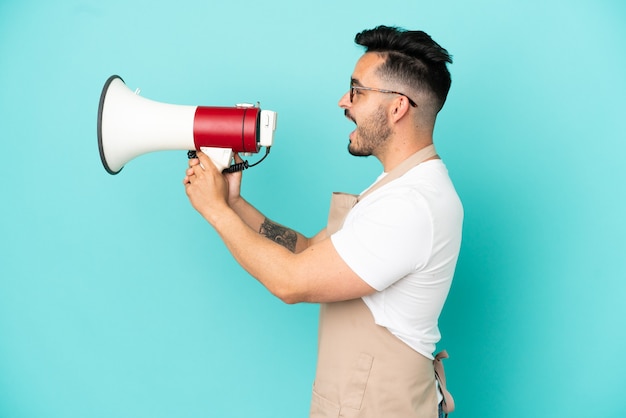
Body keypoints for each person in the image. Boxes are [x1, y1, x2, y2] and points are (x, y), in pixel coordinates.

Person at [183, 25, 463, 418]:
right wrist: (232, 203)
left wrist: (213, 211)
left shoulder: (411, 204)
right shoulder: (400, 189)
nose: (342, 101)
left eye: (357, 91)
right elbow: (308, 251)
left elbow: (291, 281)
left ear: (398, 107)